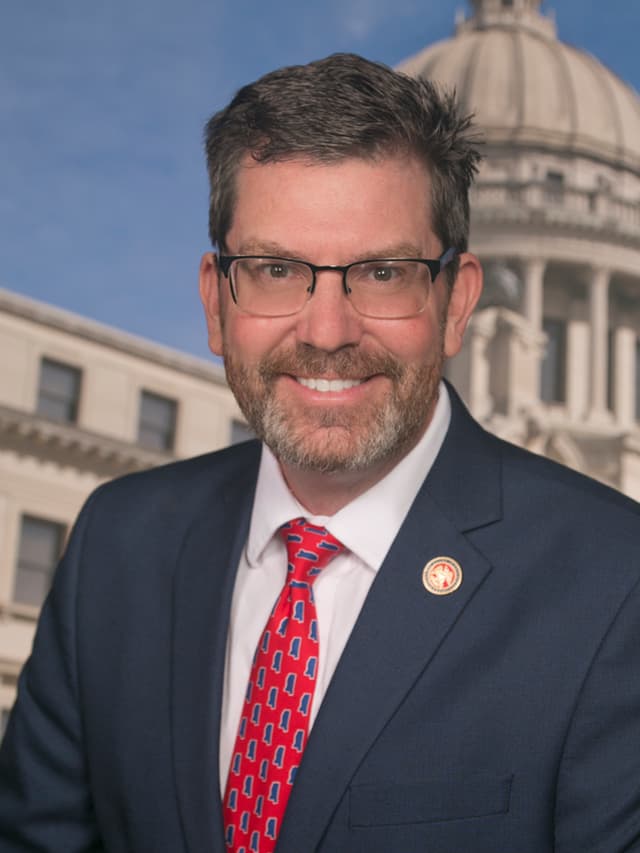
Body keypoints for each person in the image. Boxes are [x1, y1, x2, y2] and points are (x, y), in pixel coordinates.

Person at [1, 53, 639, 853]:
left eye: (382, 271)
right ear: (215, 299)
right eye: (275, 270)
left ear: (456, 302)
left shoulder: (617, 579)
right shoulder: (116, 545)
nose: (327, 331)